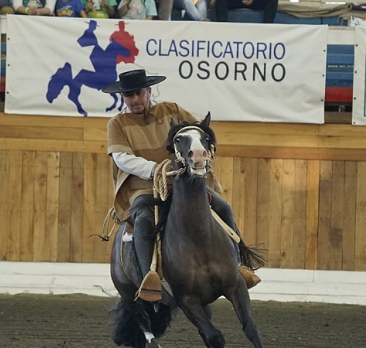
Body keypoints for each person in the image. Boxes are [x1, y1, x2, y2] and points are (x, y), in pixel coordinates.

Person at [103, 69, 261, 303]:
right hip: (142, 188)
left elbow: (198, 133)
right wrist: (157, 169)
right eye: (129, 95)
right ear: (123, 97)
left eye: (138, 93)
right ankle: (150, 279)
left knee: (223, 207)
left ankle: (239, 266)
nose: (135, 99)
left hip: (181, 184)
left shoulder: (171, 111)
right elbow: (121, 158)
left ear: (149, 92)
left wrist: (199, 152)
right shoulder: (117, 123)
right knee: (144, 221)